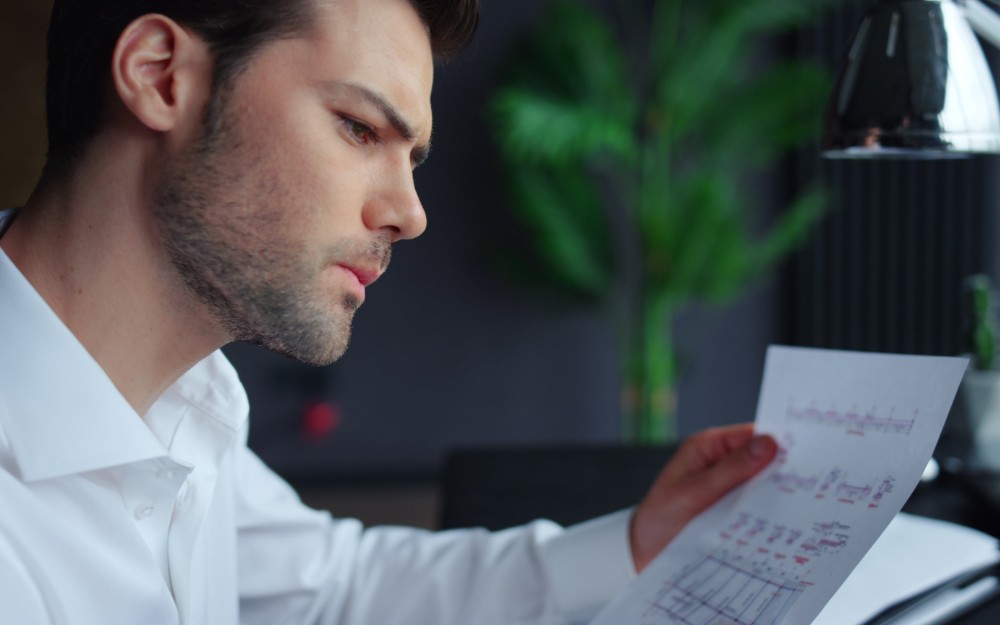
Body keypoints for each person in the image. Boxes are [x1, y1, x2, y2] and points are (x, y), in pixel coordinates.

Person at [0, 0, 778, 623]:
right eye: (359, 127)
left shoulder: (187, 400)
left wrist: (638, 545)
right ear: (161, 75)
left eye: (412, 158)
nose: (410, 212)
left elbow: (331, 587)